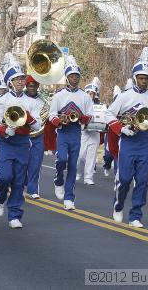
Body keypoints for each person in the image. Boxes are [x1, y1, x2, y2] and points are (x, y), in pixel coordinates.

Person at [105, 46, 148, 227]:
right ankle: (119, 204)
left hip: (143, 142)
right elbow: (109, 115)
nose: (144, 81)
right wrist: (121, 129)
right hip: (128, 142)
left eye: (147, 78)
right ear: (135, 78)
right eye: (141, 78)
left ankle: (136, 215)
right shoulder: (124, 96)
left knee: (143, 181)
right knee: (124, 179)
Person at [0, 53, 41, 228]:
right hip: (6, 143)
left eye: (22, 78)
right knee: (5, 176)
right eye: (17, 79)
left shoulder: (32, 102)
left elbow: (38, 126)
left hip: (23, 144)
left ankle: (14, 215)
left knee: (19, 181)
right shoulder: (2, 100)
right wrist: (5, 130)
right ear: (9, 82)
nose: (20, 82)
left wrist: (27, 117)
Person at [49, 55, 93, 210]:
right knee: (61, 160)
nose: (74, 79)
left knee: (73, 165)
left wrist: (81, 118)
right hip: (62, 132)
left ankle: (69, 198)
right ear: (67, 78)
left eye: (76, 76)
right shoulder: (59, 95)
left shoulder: (85, 96)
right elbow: (52, 115)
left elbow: (90, 115)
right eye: (71, 76)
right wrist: (59, 121)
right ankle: (58, 179)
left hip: (75, 132)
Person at [77, 78, 102, 185]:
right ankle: (77, 172)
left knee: (91, 156)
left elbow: (103, 118)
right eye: (88, 93)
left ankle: (88, 177)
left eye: (92, 93)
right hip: (84, 133)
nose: (90, 95)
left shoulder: (100, 106)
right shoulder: (81, 105)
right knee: (80, 155)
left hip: (95, 133)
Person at [24, 75, 45, 199]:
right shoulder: (20, 98)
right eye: (30, 85)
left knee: (36, 163)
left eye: (35, 85)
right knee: (22, 163)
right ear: (26, 85)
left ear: (38, 86)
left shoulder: (43, 101)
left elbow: (45, 118)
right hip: (22, 135)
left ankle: (33, 189)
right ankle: (20, 184)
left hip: (38, 135)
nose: (33, 88)